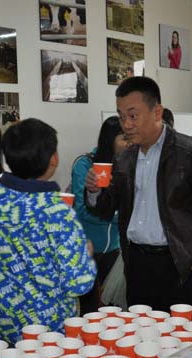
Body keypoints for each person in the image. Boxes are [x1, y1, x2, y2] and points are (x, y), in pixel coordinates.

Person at [85, 76, 192, 314]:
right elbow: (106, 209)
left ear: (157, 112)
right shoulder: (124, 158)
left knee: (180, 331)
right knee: (141, 330)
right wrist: (95, 192)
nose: (126, 124)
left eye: (133, 116)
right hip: (135, 263)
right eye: (121, 116)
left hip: (178, 263)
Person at [0, 118, 96, 342]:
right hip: (52, 331)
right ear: (54, 158)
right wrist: (85, 253)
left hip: (9, 323)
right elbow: (78, 283)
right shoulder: (57, 211)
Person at [71, 116, 125, 313]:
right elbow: (82, 210)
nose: (130, 144)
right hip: (89, 248)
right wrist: (120, 217)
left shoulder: (127, 165)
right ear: (109, 140)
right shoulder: (85, 165)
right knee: (90, 309)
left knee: (114, 310)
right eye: (124, 138)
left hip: (116, 250)